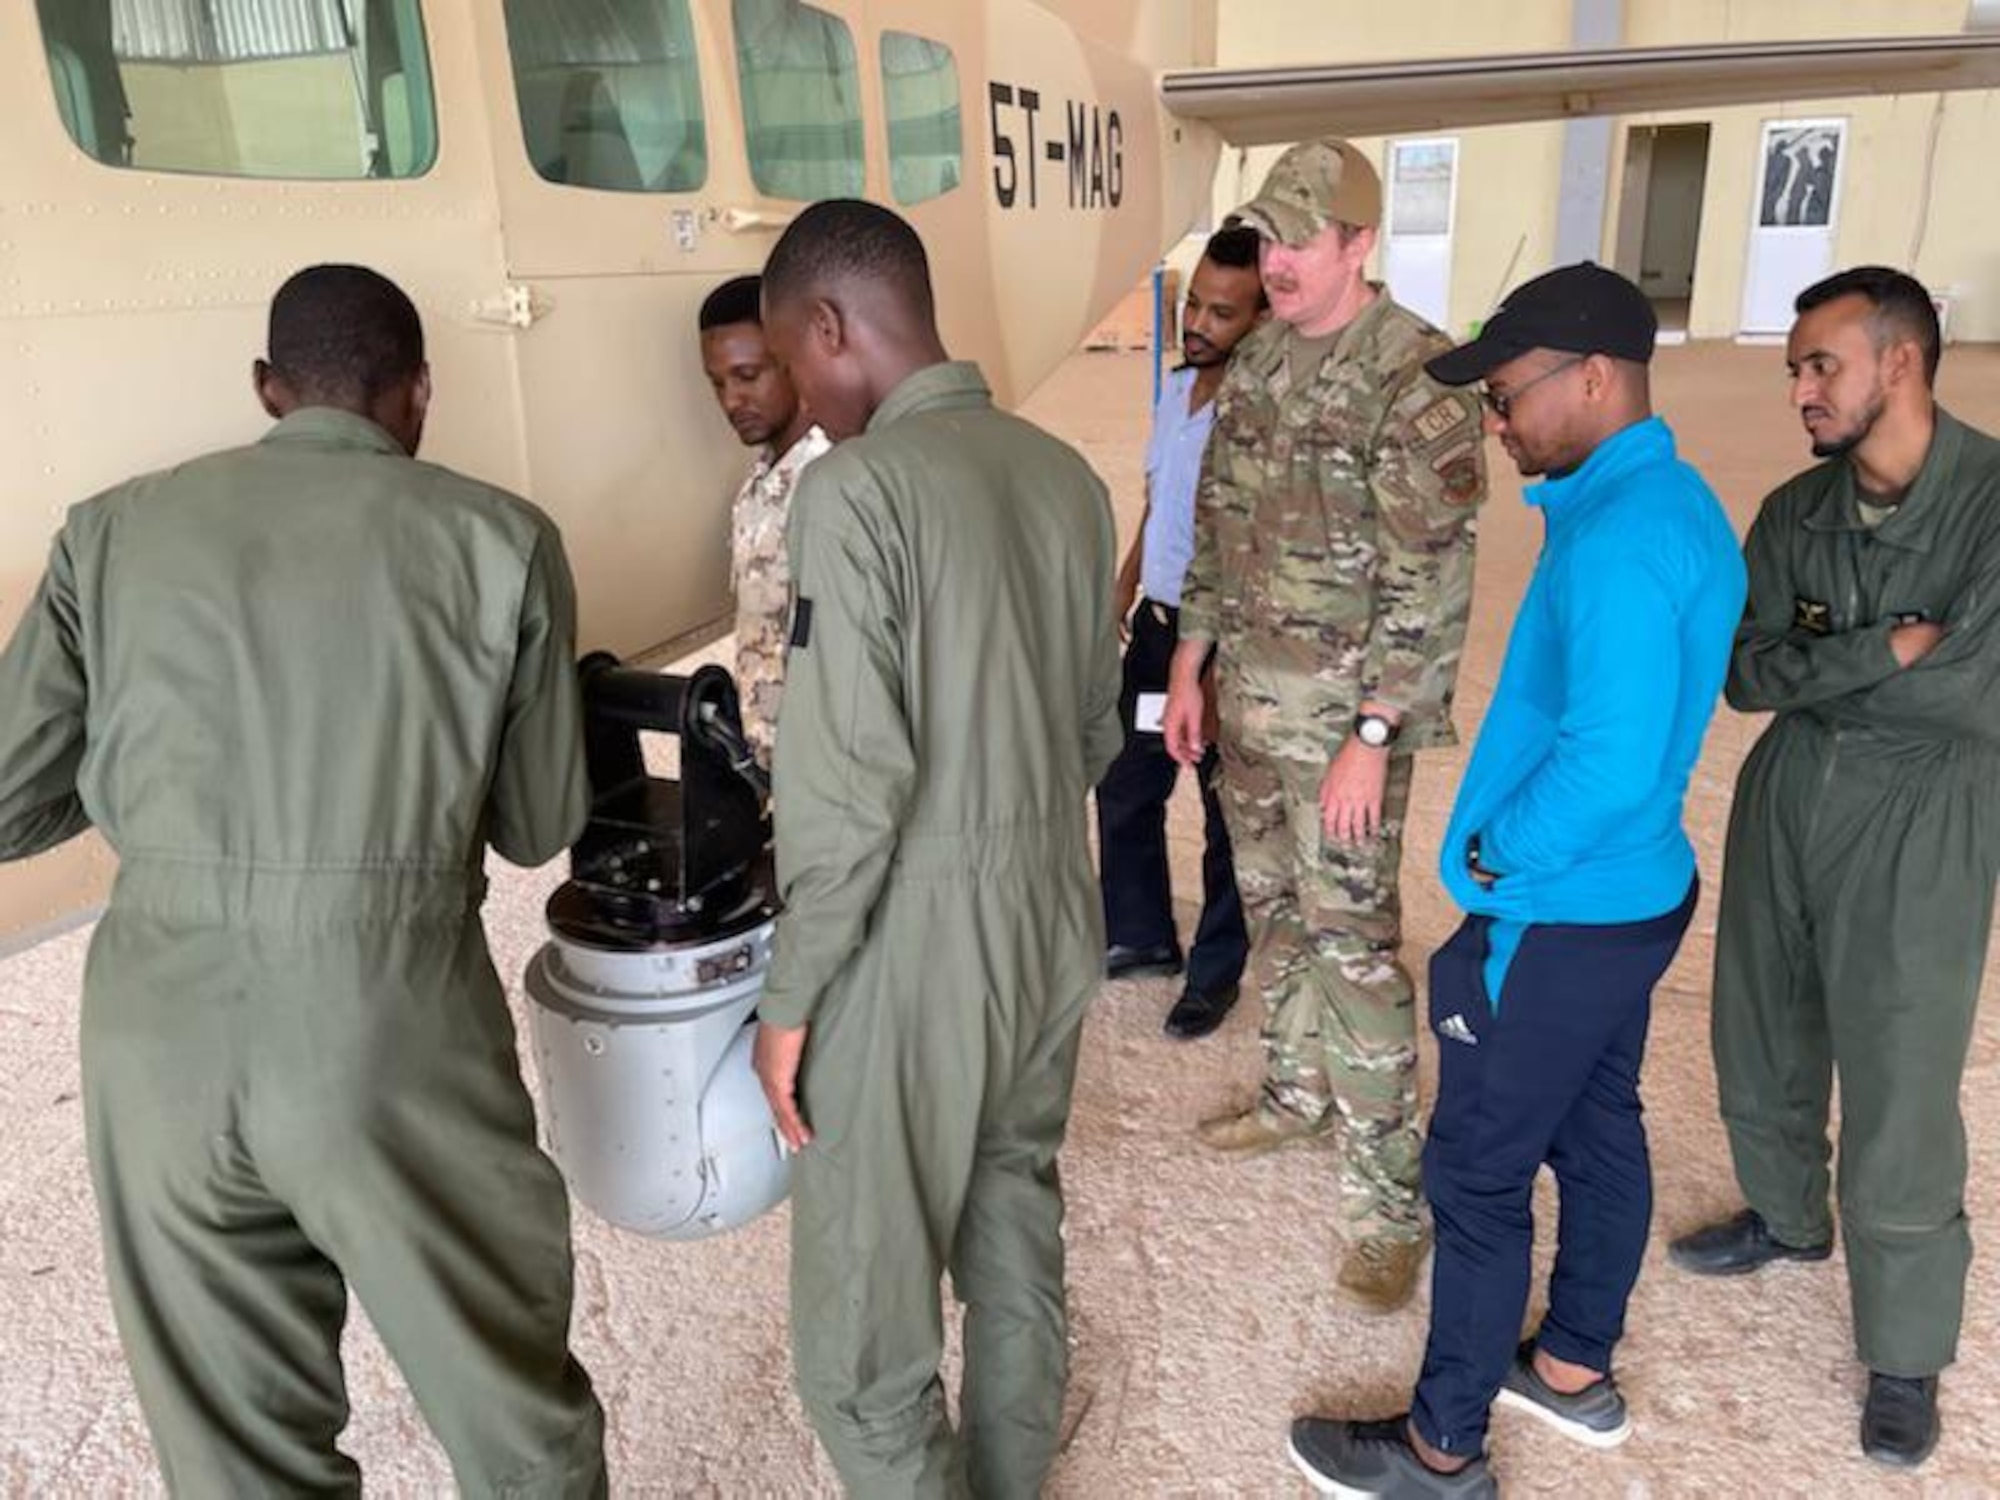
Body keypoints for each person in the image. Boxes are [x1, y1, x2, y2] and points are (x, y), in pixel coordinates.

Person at [0, 265, 605, 1495]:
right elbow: (541, 826)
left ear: (268, 390)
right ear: (418, 393)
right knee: (510, 1420)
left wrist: (158, 829)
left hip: (153, 1039)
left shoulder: (108, 529)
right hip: (386, 1025)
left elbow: (11, 800)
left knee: (236, 1455)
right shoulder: (500, 538)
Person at [1284, 263, 1745, 1498]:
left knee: (1476, 1171)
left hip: (1559, 908)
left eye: (1504, 396)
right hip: (1631, 892)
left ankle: (1440, 1452)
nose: (1493, 424)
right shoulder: (1662, 502)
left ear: (1591, 378)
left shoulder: (1621, 543)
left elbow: (1602, 760)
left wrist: (1492, 862)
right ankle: (1570, 1367)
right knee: (1596, 1124)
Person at [747, 201, 1122, 1496]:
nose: (801, 405)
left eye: (795, 370)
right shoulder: (1063, 476)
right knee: (1011, 1216)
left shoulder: (853, 493)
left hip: (913, 942)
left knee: (858, 1354)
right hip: (1050, 919)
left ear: (832, 327)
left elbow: (851, 789)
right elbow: (1090, 737)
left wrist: (789, 1003)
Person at [1669, 266, 2000, 1469]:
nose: (1798, 388)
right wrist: (1888, 645)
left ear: (1898, 362)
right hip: (1787, 802)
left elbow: (1974, 694)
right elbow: (1747, 674)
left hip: (1922, 819)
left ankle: (1904, 1348)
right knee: (1760, 1024)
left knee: (1900, 1072)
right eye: (1793, 369)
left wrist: (1857, 663)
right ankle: (1785, 1216)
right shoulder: (1790, 514)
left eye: (1820, 364)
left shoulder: (1990, 501)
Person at [1163, 137, 1486, 1312]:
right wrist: (1189, 667)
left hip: (1343, 730)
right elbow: (1214, 534)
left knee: (1353, 952)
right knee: (1275, 918)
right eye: (1268, 238)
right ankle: (1296, 1097)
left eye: (1302, 238)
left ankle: (1385, 1199)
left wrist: (1372, 731)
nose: (1279, 262)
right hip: (1245, 706)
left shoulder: (1416, 376)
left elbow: (1429, 582)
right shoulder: (1251, 368)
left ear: (1359, 241)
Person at [1097, 226, 1265, 1038]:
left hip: (1225, 645)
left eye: (1221, 313)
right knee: (1127, 781)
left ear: (1263, 322)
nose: (1196, 321)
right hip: (1160, 633)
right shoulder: (1176, 390)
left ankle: (1214, 971)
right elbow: (1157, 500)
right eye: (1194, 301)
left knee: (1225, 807)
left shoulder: (1259, 420)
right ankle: (1139, 934)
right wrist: (1123, 584)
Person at [698, 273, 831, 770]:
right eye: (717, 384)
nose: (731, 401)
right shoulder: (758, 486)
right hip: (773, 774)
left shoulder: (833, 486)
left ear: (796, 364)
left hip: (825, 778)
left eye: (748, 376)